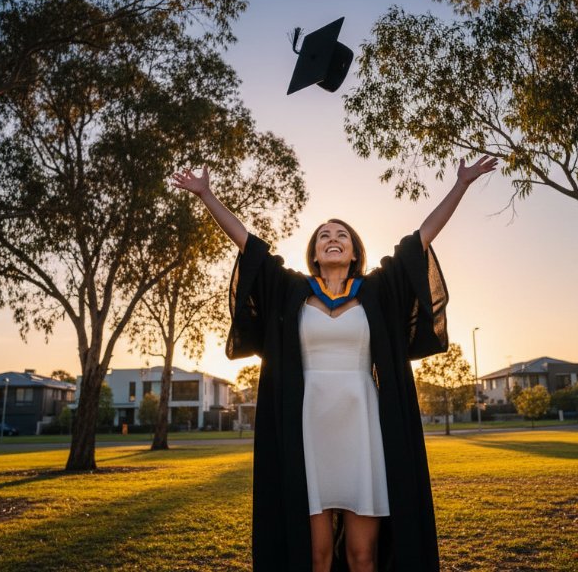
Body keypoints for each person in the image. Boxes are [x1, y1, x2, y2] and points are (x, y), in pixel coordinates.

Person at [171, 156, 497, 572]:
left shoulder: (376, 291)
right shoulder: (292, 292)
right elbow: (248, 245)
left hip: (363, 426)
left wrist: (462, 185)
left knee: (363, 556)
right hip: (308, 429)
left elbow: (421, 240)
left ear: (355, 250)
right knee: (317, 556)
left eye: (341, 234)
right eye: (324, 235)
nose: (332, 238)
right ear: (314, 253)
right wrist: (206, 195)